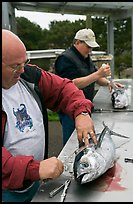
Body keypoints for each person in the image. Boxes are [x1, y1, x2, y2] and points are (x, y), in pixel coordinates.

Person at [2, 29, 97, 202]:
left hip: (36, 181)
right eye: (15, 66)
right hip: (6, 191)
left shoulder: (29, 76)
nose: (22, 70)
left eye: (25, 62)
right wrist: (34, 169)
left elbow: (63, 89)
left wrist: (82, 112)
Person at [54, 28, 124, 145]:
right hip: (70, 109)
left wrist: (108, 82)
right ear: (77, 42)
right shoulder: (65, 59)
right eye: (88, 46)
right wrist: (98, 74)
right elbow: (71, 84)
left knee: (85, 140)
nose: (90, 50)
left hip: (84, 107)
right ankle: (68, 162)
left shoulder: (85, 57)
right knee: (72, 142)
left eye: (92, 47)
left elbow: (96, 77)